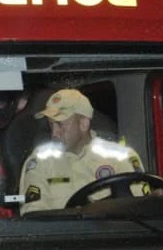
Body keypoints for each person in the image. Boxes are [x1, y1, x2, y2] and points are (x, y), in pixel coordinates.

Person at [17, 88, 148, 214]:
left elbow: (138, 209)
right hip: (63, 235)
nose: (54, 133)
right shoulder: (40, 161)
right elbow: (34, 216)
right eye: (51, 124)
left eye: (60, 124)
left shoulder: (121, 157)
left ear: (83, 124)